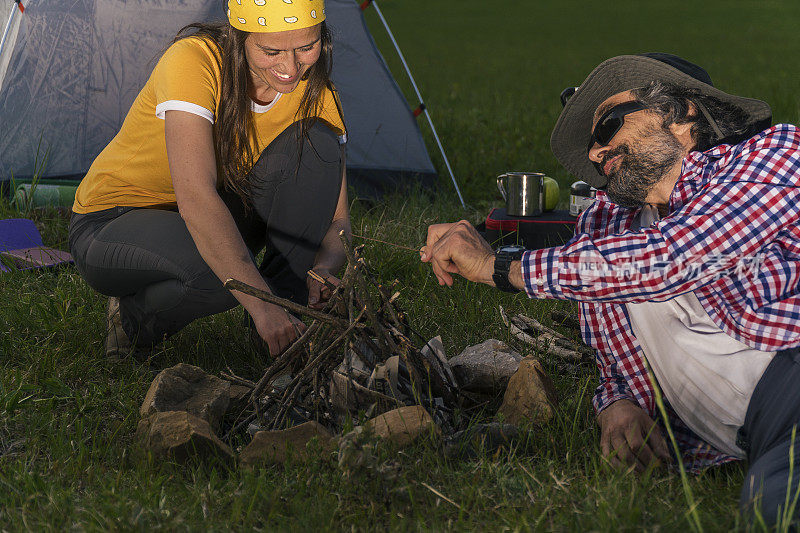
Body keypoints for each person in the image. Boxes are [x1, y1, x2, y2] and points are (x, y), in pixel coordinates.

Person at [421, 53, 800, 525]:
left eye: (608, 128)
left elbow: (671, 258)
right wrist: (617, 401)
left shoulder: (772, 157)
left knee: (779, 508)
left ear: (680, 115)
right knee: (771, 502)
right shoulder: (605, 225)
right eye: (592, 149)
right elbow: (611, 338)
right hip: (755, 436)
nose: (598, 154)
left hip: (788, 376)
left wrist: (498, 267)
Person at [69, 0, 350, 360]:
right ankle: (132, 320)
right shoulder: (194, 60)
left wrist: (323, 269)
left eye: (306, 48)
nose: (290, 67)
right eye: (271, 51)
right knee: (224, 274)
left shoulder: (320, 96)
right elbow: (197, 198)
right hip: (112, 220)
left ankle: (283, 325)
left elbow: (339, 221)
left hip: (217, 208)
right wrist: (259, 303)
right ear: (240, 36)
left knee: (318, 141)